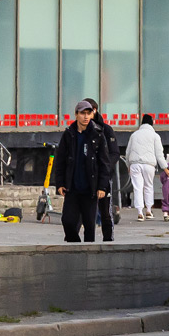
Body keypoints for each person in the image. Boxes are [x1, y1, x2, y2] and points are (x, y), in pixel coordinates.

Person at [53, 99, 114, 243]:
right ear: (76, 115)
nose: (86, 117)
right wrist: (60, 183)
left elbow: (104, 163)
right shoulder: (69, 134)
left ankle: (88, 256)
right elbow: (60, 161)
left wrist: (102, 187)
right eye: (82, 113)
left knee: (89, 226)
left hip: (90, 189)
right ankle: (75, 246)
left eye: (89, 113)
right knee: (68, 221)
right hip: (72, 187)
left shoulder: (98, 135)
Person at [126, 113, 166, 221]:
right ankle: (148, 210)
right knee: (148, 186)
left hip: (135, 164)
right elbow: (159, 154)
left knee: (137, 187)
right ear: (152, 123)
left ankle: (140, 212)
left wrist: (128, 165)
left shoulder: (134, 135)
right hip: (149, 164)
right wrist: (165, 167)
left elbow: (128, 152)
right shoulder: (155, 136)